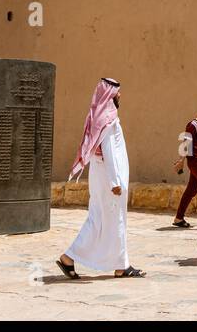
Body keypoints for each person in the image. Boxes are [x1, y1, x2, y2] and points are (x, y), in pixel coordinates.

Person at [57, 79, 145, 279]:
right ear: (111, 94)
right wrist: (115, 182)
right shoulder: (109, 119)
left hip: (99, 176)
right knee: (109, 219)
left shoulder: (97, 117)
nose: (120, 95)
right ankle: (70, 257)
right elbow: (109, 151)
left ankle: (121, 265)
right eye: (118, 92)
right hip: (109, 179)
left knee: (101, 218)